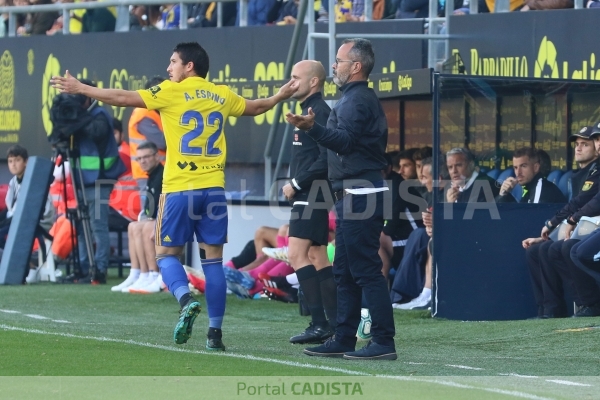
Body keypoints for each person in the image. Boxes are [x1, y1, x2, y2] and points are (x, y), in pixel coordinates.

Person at [52, 41, 298, 351]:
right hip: (213, 191)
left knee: (165, 255)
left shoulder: (171, 91)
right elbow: (257, 106)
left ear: (189, 66)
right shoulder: (221, 94)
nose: (169, 69)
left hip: (180, 188)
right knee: (213, 264)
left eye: (173, 62)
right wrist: (280, 95)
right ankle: (215, 335)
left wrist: (82, 88)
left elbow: (123, 98)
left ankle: (185, 301)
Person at [286, 38, 397, 361]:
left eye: (339, 60)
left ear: (356, 67)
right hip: (353, 195)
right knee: (345, 272)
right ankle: (344, 337)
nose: (334, 65)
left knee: (364, 271)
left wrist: (313, 129)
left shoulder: (356, 101)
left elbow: (345, 143)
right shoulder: (353, 99)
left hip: (361, 195)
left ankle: (383, 341)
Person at [277, 60, 337, 345]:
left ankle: (319, 323)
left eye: (296, 78)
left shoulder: (319, 112)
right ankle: (336, 322)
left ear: (314, 82)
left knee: (296, 254)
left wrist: (296, 184)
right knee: (317, 256)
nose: (291, 83)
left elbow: (326, 158)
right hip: (313, 194)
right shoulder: (308, 111)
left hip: (310, 193)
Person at [523, 126, 600, 318]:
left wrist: (556, 222)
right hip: (585, 225)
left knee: (566, 249)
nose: (579, 148)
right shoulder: (577, 175)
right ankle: (549, 309)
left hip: (591, 224)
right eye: (577, 144)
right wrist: (551, 232)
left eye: (585, 144)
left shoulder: (596, 169)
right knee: (537, 249)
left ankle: (588, 303)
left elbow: (585, 203)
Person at [63, 80, 126, 285]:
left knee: (98, 226)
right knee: (83, 228)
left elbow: (96, 133)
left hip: (99, 180)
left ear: (87, 96)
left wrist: (77, 118)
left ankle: (99, 270)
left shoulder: (100, 115)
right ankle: (83, 268)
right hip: (82, 180)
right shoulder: (79, 116)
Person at [111, 141, 164, 294]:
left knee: (146, 226)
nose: (142, 161)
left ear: (157, 156)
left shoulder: (163, 174)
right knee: (133, 226)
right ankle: (139, 273)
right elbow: (149, 208)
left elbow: (163, 205)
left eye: (146, 157)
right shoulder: (151, 176)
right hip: (154, 219)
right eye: (139, 158)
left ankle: (153, 274)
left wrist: (152, 219)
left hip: (167, 220)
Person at [0, 145, 54, 283]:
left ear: (26, 162)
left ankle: (27, 266)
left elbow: (32, 210)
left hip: (37, 220)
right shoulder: (13, 182)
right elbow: (10, 209)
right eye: (11, 161)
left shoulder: (33, 179)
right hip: (17, 219)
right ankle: (24, 264)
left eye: (17, 160)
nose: (13, 164)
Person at [128, 76, 166, 191]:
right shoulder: (143, 114)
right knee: (150, 207)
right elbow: (163, 143)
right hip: (146, 172)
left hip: (157, 171)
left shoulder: (155, 112)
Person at [496, 147, 566, 204]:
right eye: (515, 167)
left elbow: (532, 219)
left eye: (523, 166)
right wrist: (503, 195)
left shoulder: (541, 188)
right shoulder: (529, 189)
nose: (518, 172)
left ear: (536, 167)